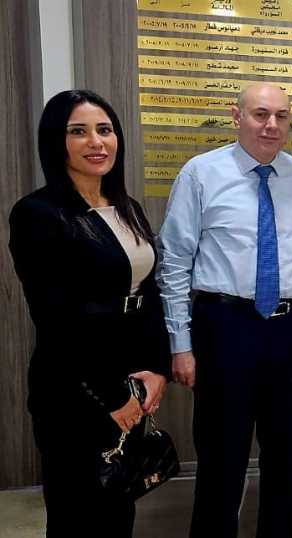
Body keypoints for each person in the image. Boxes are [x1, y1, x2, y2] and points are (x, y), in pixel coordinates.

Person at [156, 82, 292, 537]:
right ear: (237, 117)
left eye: (281, 116)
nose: (272, 125)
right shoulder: (201, 173)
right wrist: (180, 343)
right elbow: (174, 262)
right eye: (260, 114)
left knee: (286, 457)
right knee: (221, 456)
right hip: (225, 326)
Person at [8, 89, 170, 537]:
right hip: (75, 388)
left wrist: (157, 368)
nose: (96, 142)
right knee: (77, 513)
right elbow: (56, 320)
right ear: (56, 141)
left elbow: (147, 293)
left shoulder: (128, 209)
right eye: (78, 131)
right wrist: (113, 397)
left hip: (133, 380)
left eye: (105, 130)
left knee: (119, 506)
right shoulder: (38, 213)